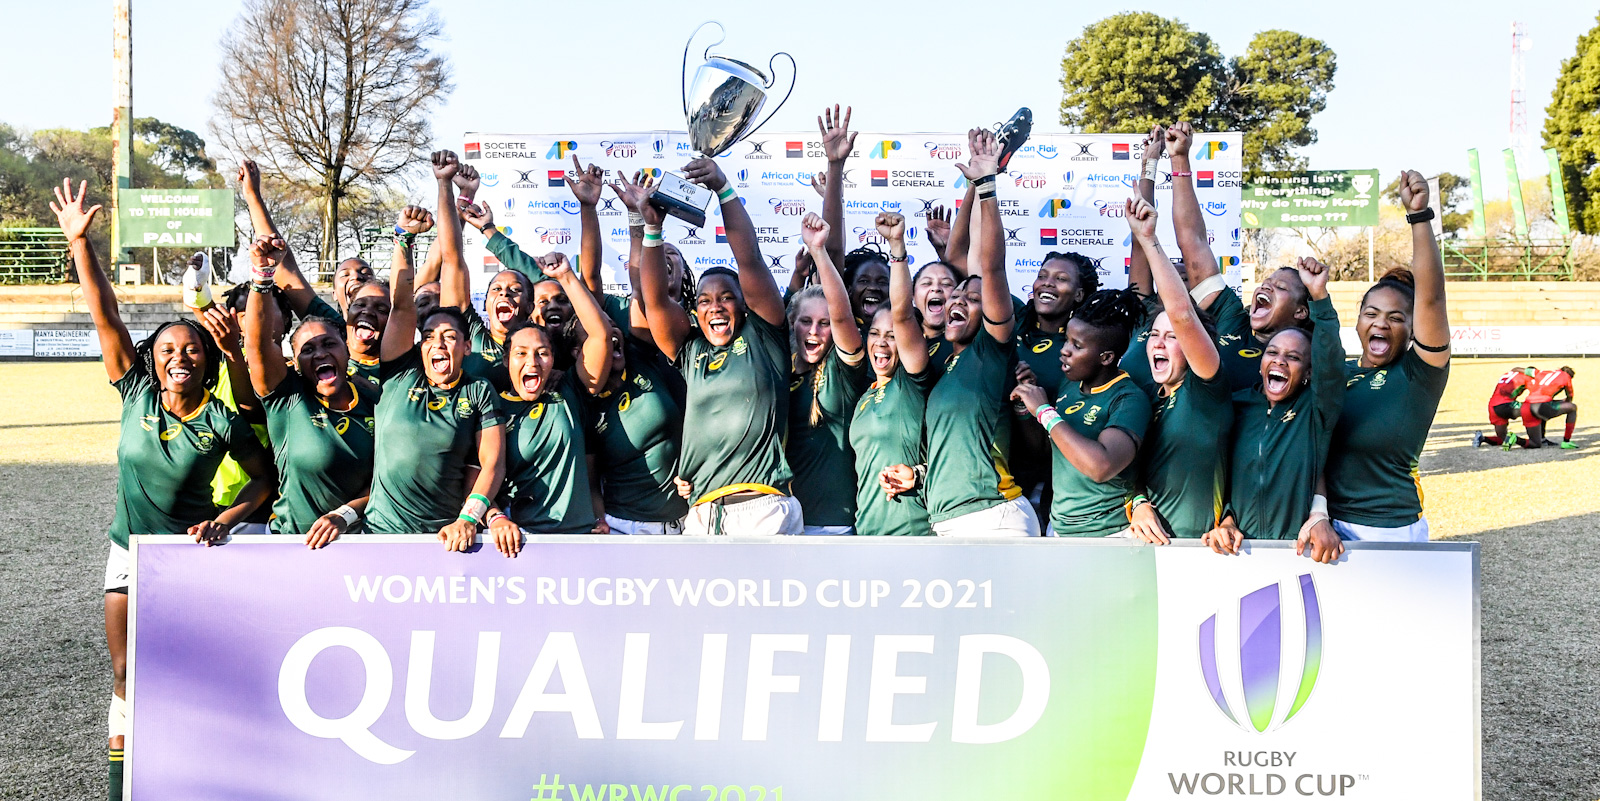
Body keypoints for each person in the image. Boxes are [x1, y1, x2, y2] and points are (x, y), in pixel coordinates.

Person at [51, 178, 275, 800]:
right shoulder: (136, 392)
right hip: (129, 550)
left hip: (190, 555)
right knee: (126, 670)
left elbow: (263, 479)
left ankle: (204, 775)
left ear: (206, 359)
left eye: (192, 349)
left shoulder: (222, 419)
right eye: (169, 348)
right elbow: (105, 314)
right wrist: (80, 243)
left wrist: (226, 518)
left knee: (199, 672)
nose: (180, 356)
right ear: (153, 359)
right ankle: (122, 785)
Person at [615, 158, 803, 536]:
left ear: (745, 306)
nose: (714, 307)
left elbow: (749, 258)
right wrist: (652, 228)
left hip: (763, 509)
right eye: (704, 300)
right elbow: (654, 301)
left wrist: (723, 188)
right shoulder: (691, 351)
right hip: (703, 513)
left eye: (726, 297)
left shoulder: (764, 336)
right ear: (695, 311)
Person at [1311, 172, 1454, 543]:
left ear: (1413, 328)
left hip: (1387, 530)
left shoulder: (1418, 374)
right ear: (1358, 320)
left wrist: (1419, 216)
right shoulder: (1335, 373)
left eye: (1396, 318)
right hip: (1322, 527)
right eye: (1371, 313)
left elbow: (1432, 299)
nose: (1381, 324)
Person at [916, 128, 1038, 536]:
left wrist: (986, 187)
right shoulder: (943, 363)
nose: (958, 299)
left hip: (994, 516)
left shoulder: (991, 350)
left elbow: (991, 268)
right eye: (956, 294)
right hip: (947, 520)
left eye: (973, 298)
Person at [363, 204, 506, 550]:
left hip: (443, 540)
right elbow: (401, 305)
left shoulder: (478, 390)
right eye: (429, 337)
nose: (438, 344)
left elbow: (493, 463)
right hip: (380, 536)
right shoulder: (400, 372)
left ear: (467, 347)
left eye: (450, 336)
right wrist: (404, 239)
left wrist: (469, 518)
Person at [1123, 123, 1292, 392]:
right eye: (1169, 275)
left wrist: (1179, 159)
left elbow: (1193, 244)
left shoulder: (1224, 320)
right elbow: (1139, 242)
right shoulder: (1145, 316)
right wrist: (1149, 166)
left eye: (1185, 280)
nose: (1177, 282)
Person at [240, 234, 380, 546]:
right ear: (294, 362)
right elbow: (258, 345)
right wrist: (262, 277)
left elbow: (384, 480)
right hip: (290, 544)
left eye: (329, 343)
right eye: (307, 349)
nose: (319, 353)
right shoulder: (287, 397)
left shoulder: (374, 400)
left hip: (358, 545)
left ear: (346, 349)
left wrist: (343, 515)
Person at [1206, 257, 1344, 562]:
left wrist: (1320, 296)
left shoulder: (1315, 410)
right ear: (1261, 364)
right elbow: (1224, 473)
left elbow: (1332, 363)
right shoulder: (1237, 405)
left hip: (1297, 552)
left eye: (1293, 357)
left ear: (1309, 373)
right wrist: (1227, 519)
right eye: (1272, 353)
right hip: (1238, 551)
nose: (1280, 360)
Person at [484, 251, 614, 554]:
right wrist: (495, 517)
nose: (532, 361)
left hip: (581, 539)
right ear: (506, 360)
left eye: (542, 353)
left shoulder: (569, 391)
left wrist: (566, 276)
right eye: (521, 353)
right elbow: (476, 478)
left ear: (553, 359)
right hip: (520, 544)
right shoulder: (492, 407)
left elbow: (600, 335)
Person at [1119, 198, 1230, 543]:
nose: (1159, 343)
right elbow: (1132, 468)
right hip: (1146, 547)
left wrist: (1149, 240)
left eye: (1172, 337)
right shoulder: (1145, 398)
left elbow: (1182, 314)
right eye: (1155, 335)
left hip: (1204, 547)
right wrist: (1138, 502)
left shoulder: (1206, 390)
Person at [1011, 285, 1149, 537]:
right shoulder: (1070, 385)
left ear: (1106, 358)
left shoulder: (1129, 399)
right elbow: (1047, 449)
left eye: (1077, 345)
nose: (1065, 350)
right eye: (1067, 340)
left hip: (1108, 532)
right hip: (1059, 527)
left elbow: (1101, 467)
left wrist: (1044, 411)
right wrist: (1025, 406)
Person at [850, 212, 935, 536]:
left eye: (892, 335)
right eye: (875, 333)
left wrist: (897, 248)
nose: (881, 342)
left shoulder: (911, 382)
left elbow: (902, 315)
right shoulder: (865, 395)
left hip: (913, 533)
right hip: (867, 532)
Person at [787, 213, 869, 534]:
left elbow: (842, 314)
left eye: (824, 324)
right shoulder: (778, 372)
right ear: (792, 323)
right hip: (781, 521)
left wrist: (818, 251)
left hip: (835, 525)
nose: (814, 331)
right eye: (806, 321)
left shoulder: (841, 373)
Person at [1475, 366, 1534, 448]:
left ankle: (1482, 438)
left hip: (1492, 405)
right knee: (1536, 409)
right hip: (1506, 404)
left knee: (1503, 438)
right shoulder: (1528, 378)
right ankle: (1540, 439)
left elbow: (1515, 368)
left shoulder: (1510, 373)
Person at [1521, 366, 1579, 449]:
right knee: (1572, 408)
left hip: (1526, 405)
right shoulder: (1566, 376)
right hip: (1541, 405)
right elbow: (1569, 397)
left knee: (1535, 443)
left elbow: (1522, 370)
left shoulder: (1543, 372)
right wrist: (1563, 401)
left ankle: (1516, 438)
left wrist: (1513, 371)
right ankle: (1566, 441)